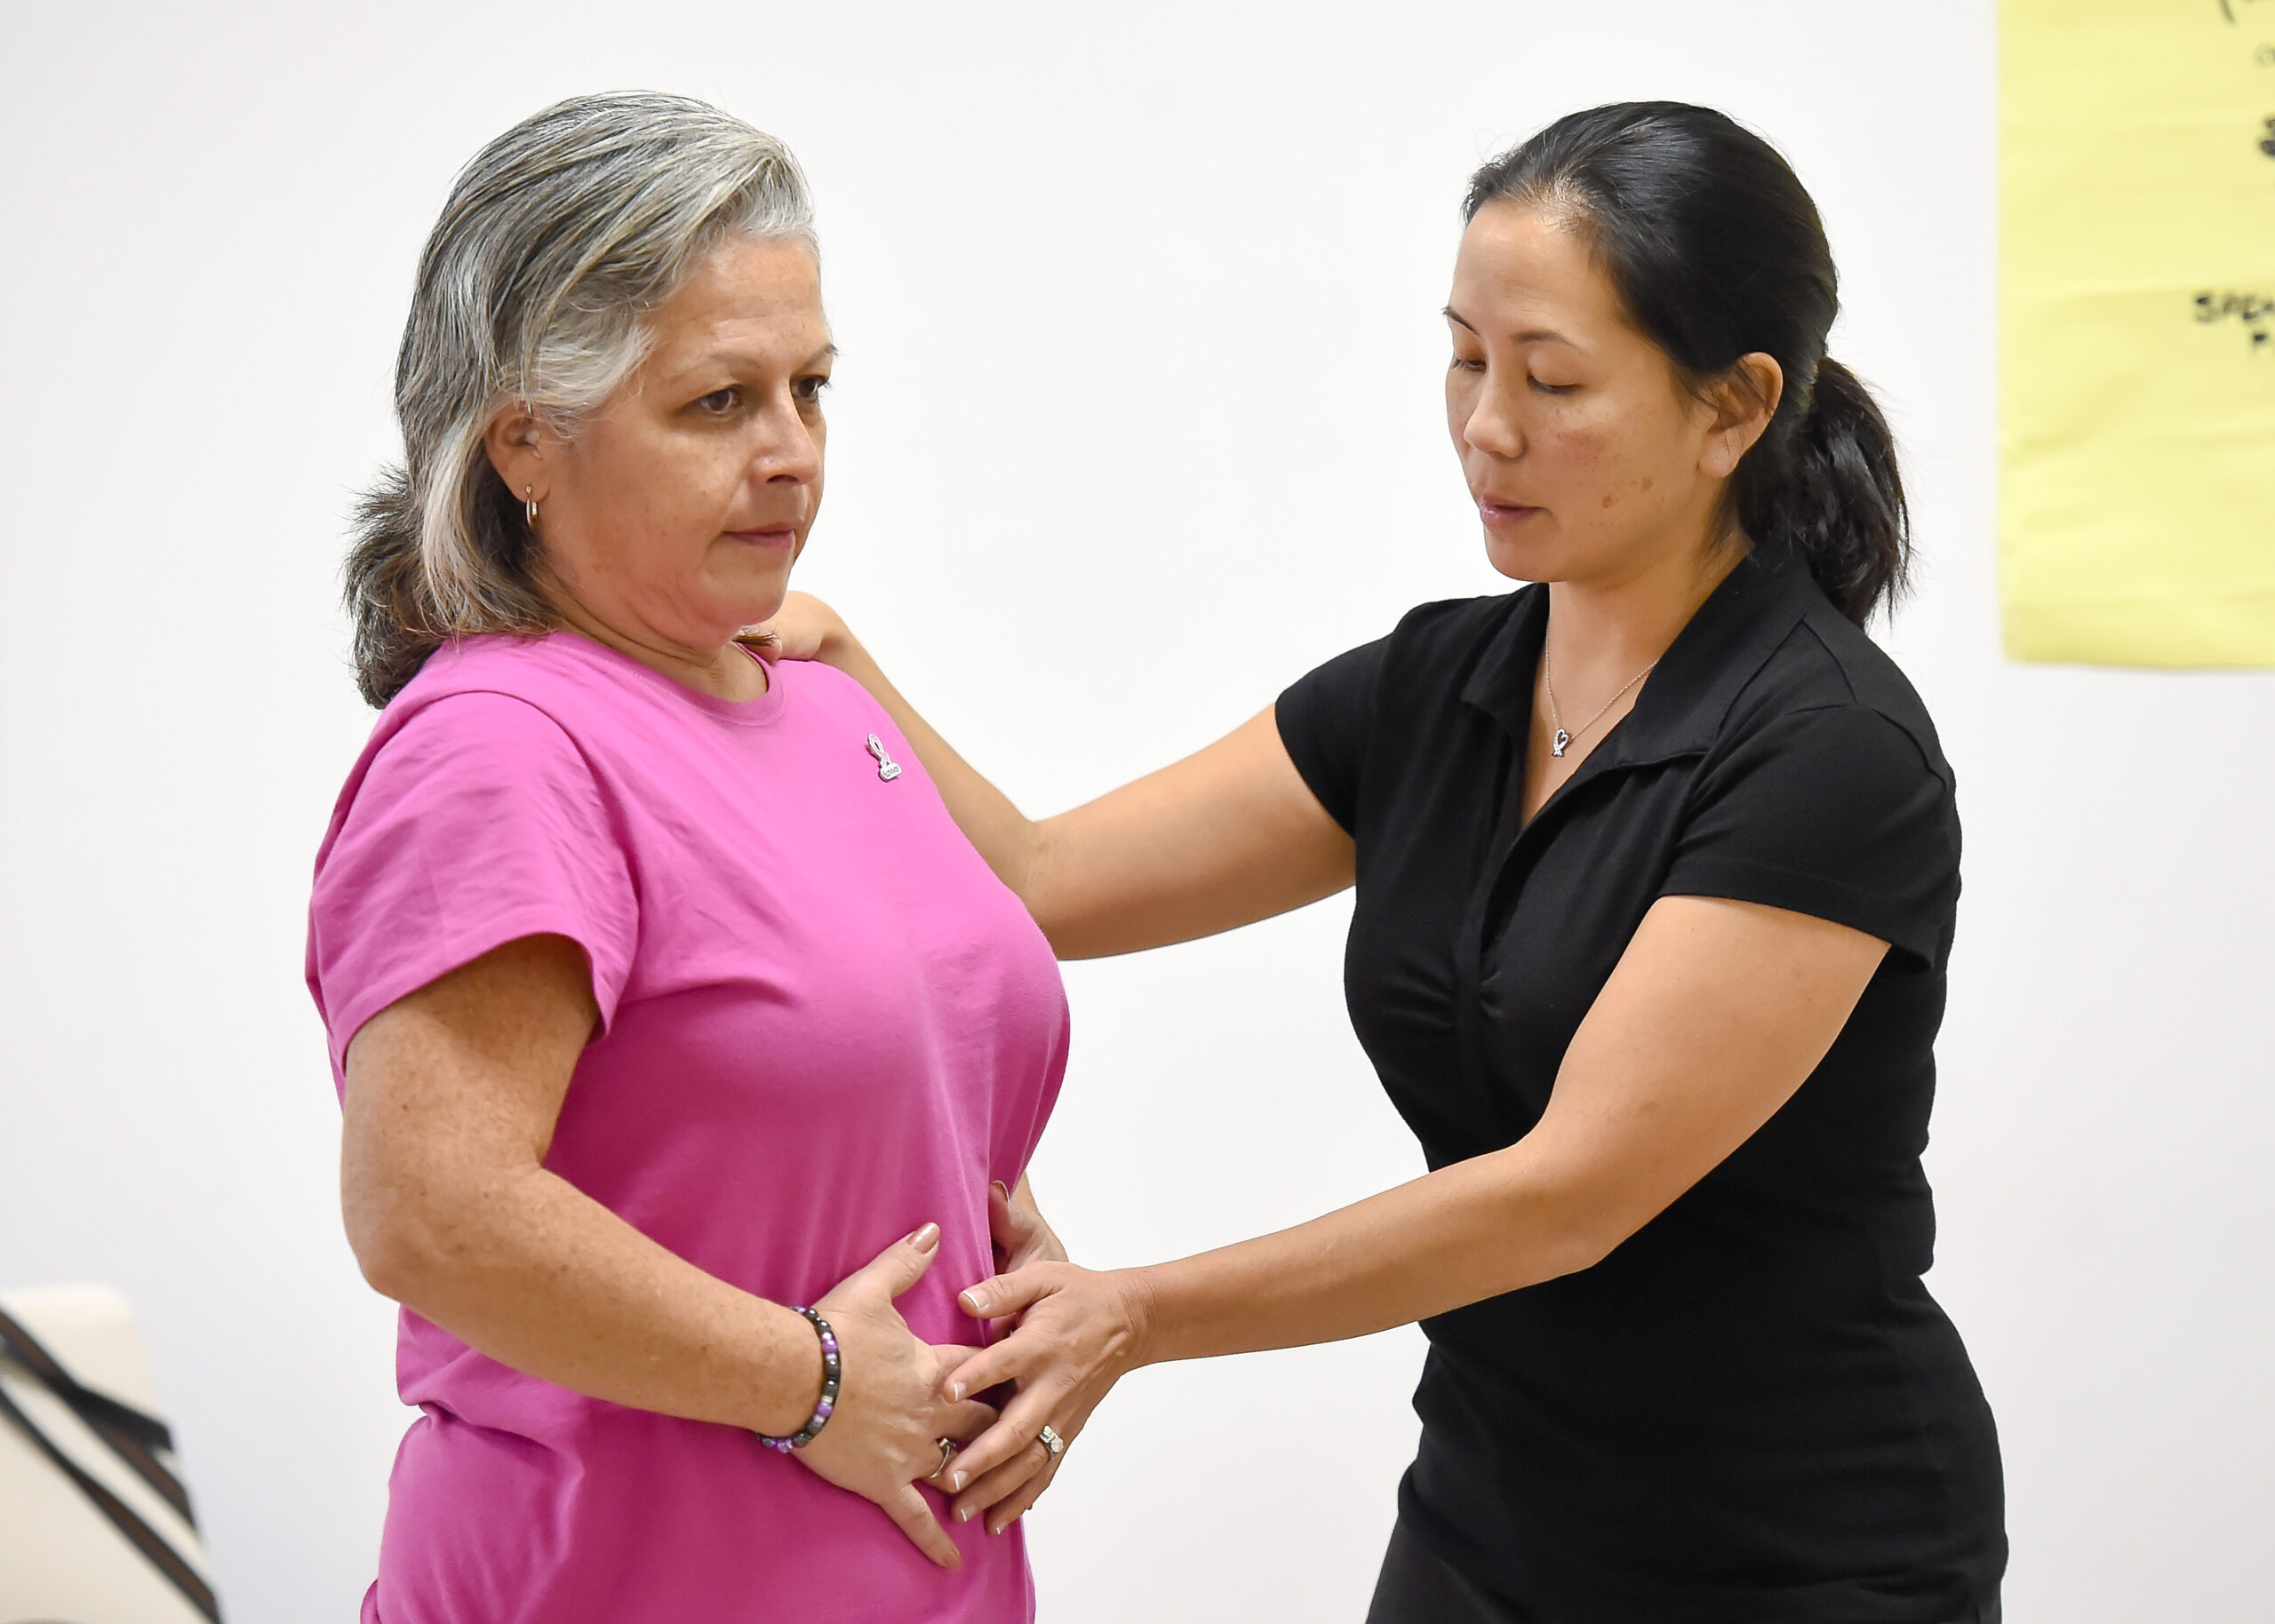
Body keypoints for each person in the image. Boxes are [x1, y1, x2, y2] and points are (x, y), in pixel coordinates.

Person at [770, 103, 2006, 1622]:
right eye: (1466, 358)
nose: (1488, 424)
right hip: (1492, 1519)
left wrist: (1138, 1313)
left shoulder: (1828, 752)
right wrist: (843, 669)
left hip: (1801, 1552)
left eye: (1552, 378)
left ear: (1733, 407)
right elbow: (1042, 883)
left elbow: (1567, 1196)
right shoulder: (1433, 692)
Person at [306, 93, 1068, 1623]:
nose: (793, 455)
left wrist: (1014, 1276)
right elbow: (431, 1212)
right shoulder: (502, 748)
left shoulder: (819, 707)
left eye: (812, 387)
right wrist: (813, 1381)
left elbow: (854, 1075)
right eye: (720, 403)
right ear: (528, 435)